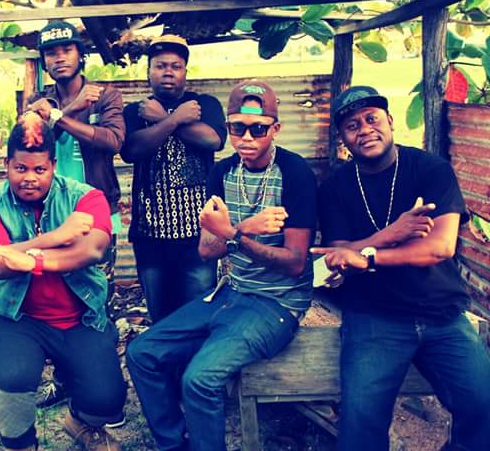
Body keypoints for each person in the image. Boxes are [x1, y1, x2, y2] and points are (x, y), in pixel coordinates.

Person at [127, 81, 316, 451]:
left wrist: (232, 234)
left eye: (258, 128)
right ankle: (173, 444)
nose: (246, 137)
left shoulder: (294, 172)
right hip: (232, 293)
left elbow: (294, 264)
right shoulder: (223, 173)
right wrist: (244, 229)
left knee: (199, 380)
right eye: (237, 128)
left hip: (277, 304)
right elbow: (206, 249)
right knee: (142, 353)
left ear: (276, 129)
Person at [312, 85, 490, 451]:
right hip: (374, 317)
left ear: (391, 121)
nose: (364, 129)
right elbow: (337, 254)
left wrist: (369, 256)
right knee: (360, 426)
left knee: (483, 406)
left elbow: (439, 247)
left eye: (371, 119)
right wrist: (392, 234)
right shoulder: (335, 187)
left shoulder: (430, 169)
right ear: (343, 139)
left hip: (441, 312)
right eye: (352, 126)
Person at [0, 112, 126, 451]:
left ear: (53, 165)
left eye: (39, 170)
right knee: (11, 379)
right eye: (20, 168)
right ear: (6, 165)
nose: (29, 178)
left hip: (79, 317)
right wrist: (55, 237)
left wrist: (31, 260)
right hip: (16, 318)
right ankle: (22, 444)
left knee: (108, 399)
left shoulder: (85, 197)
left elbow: (93, 249)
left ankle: (81, 423)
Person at [25, 20, 126, 414]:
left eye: (66, 49)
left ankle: (102, 385)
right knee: (56, 303)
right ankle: (65, 381)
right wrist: (67, 111)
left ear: (80, 54)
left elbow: (113, 141)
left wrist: (60, 117)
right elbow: (30, 145)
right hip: (51, 218)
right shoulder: (38, 100)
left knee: (98, 301)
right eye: (51, 52)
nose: (59, 57)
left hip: (98, 216)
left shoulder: (105, 95)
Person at [121, 34, 226, 322]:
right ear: (148, 72)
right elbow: (132, 150)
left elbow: (212, 140)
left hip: (198, 236)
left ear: (185, 72)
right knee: (161, 318)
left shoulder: (204, 104)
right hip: (150, 237)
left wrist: (164, 118)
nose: (168, 72)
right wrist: (175, 118)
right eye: (160, 66)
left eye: (175, 66)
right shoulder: (136, 111)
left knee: (197, 315)